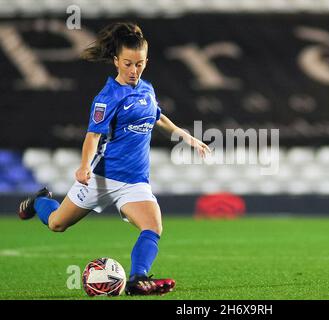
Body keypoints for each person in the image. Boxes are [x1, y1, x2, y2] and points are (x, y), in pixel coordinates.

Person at [18, 22, 211, 296]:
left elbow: (157, 116)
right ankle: (40, 200)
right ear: (116, 61)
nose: (134, 71)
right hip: (101, 179)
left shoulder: (147, 89)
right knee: (56, 224)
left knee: (153, 226)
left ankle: (137, 280)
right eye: (129, 64)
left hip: (135, 182)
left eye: (140, 64)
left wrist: (187, 137)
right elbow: (92, 137)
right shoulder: (107, 97)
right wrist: (84, 167)